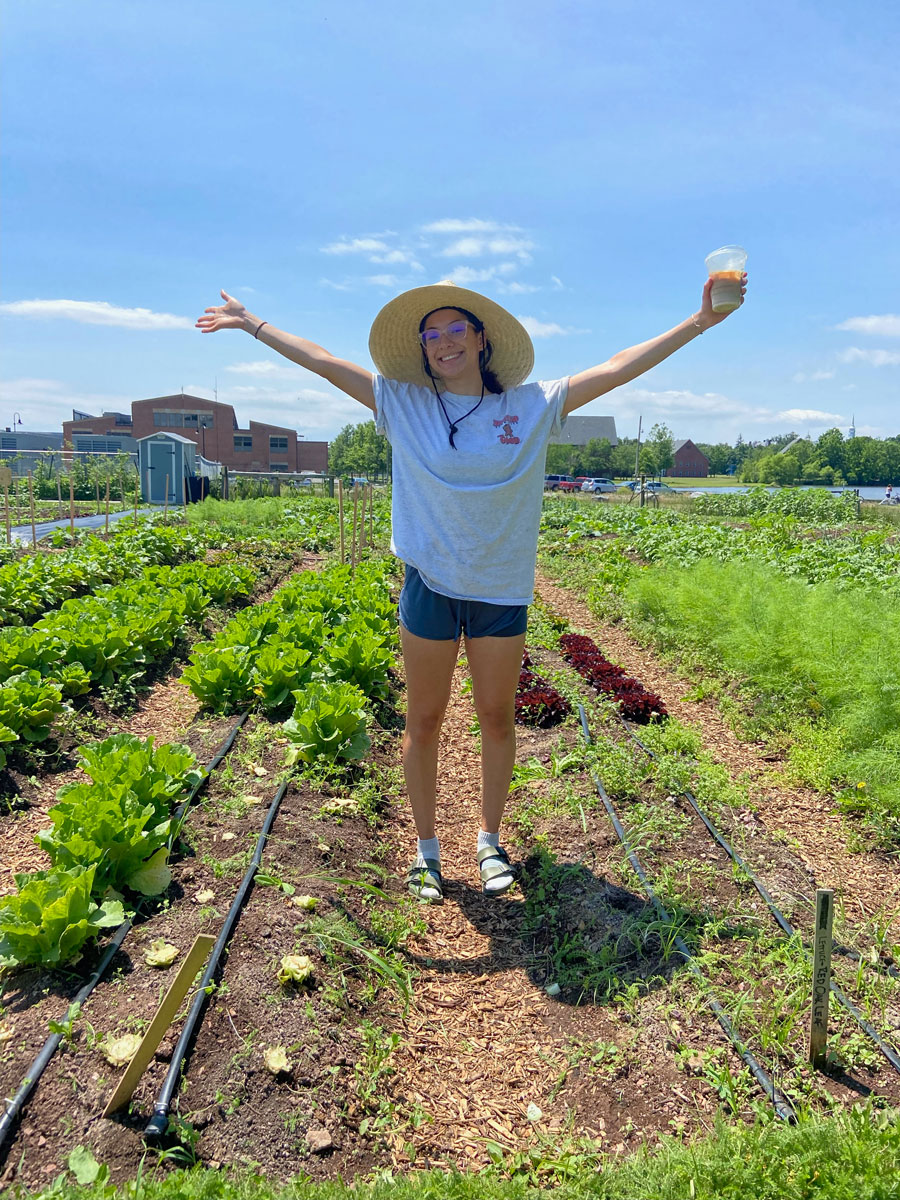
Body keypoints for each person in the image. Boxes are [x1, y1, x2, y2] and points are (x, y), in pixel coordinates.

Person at [197, 272, 747, 903]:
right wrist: (252, 323)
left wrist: (699, 322)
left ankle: (489, 839)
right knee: (424, 719)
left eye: (456, 328)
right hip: (430, 583)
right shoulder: (402, 403)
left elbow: (619, 366)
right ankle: (426, 851)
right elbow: (323, 362)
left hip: (501, 590)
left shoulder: (533, 404)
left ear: (481, 339)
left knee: (495, 718)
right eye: (431, 334)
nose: (443, 342)